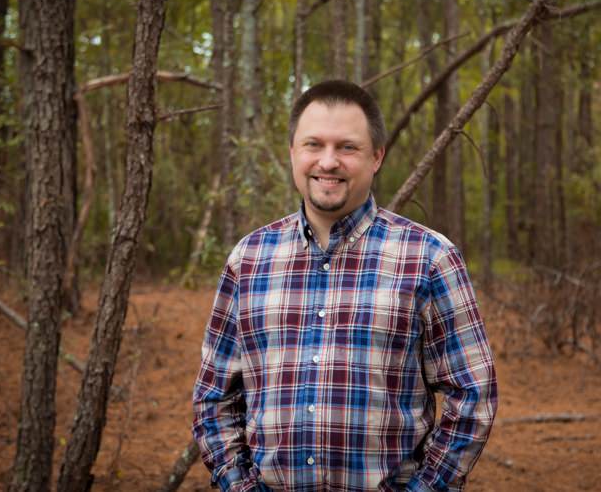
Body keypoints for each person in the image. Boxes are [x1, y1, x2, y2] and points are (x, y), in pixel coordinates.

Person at [193, 80, 497, 491]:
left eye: (347, 147)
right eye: (313, 145)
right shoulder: (248, 260)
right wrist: (240, 486)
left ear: (376, 157)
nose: (328, 161)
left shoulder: (429, 258)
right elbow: (214, 399)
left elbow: (473, 395)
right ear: (293, 153)